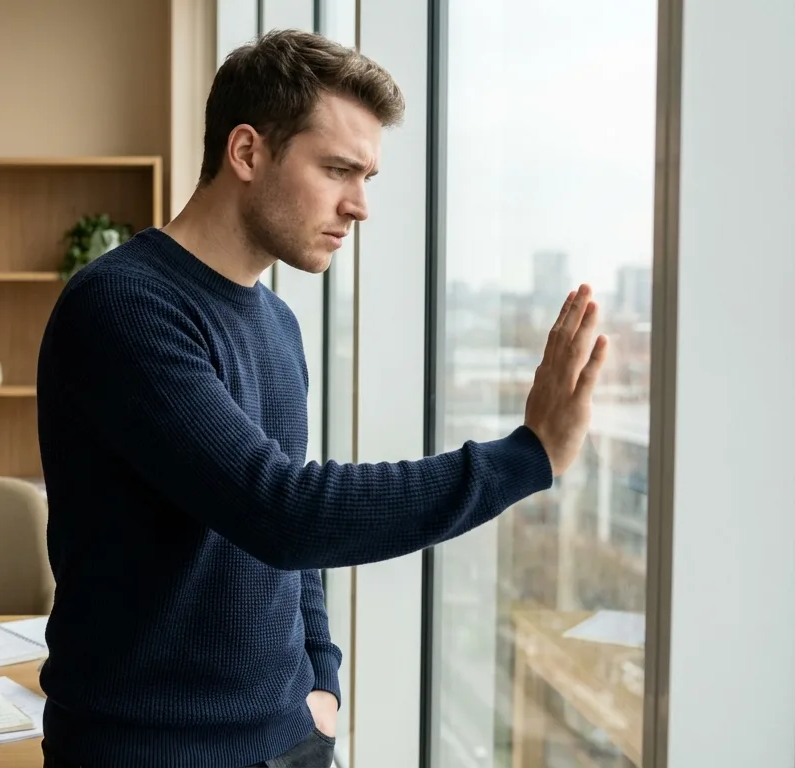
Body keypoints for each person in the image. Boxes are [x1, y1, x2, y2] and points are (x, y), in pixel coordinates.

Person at [34, 29, 607, 768]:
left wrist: (321, 681)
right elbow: (281, 510)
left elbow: (294, 544)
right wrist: (526, 457)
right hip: (151, 751)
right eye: (338, 169)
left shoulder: (278, 324)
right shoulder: (123, 306)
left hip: (292, 736)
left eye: (368, 176)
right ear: (247, 152)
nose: (360, 205)